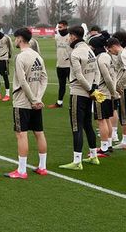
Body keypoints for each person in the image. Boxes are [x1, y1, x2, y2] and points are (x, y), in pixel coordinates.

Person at [3, 28, 48, 179]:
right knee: (39, 133)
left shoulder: (20, 57)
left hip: (22, 102)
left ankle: (22, 170)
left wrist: (33, 99)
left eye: (15, 38)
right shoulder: (38, 56)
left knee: (21, 135)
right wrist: (38, 98)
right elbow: (44, 79)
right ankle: (42, 166)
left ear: (20, 39)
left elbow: (22, 81)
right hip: (36, 102)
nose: (14, 40)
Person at [59, 25, 102, 170]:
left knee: (76, 127)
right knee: (88, 125)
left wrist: (90, 89)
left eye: (70, 35)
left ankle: (77, 161)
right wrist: (94, 88)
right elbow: (96, 71)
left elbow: (78, 76)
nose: (69, 38)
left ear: (73, 36)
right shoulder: (90, 50)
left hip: (78, 93)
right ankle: (93, 155)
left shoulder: (76, 52)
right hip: (90, 94)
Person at [107, 37, 126, 150]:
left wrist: (119, 84)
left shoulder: (122, 55)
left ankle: (125, 142)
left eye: (110, 50)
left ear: (114, 46)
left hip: (125, 88)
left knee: (124, 116)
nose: (111, 52)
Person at [89, 36, 117, 157]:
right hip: (108, 93)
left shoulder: (100, 58)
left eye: (91, 46)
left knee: (101, 120)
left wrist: (112, 92)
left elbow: (107, 78)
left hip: (101, 93)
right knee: (106, 119)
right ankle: (108, 144)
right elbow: (113, 76)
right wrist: (113, 91)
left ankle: (104, 148)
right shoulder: (108, 56)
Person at [48, 20, 72, 108]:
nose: (59, 29)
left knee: (72, 86)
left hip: (69, 65)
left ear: (66, 26)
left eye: (60, 27)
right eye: (58, 27)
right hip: (59, 65)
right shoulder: (57, 37)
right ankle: (59, 103)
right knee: (61, 85)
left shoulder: (70, 37)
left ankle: (72, 104)